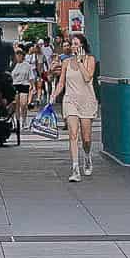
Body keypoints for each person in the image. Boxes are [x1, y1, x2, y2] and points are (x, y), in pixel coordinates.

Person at [52, 33, 98, 181]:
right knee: (73, 134)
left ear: (83, 45)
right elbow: (61, 83)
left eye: (76, 44)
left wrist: (80, 62)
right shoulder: (66, 62)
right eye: (72, 44)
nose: (73, 47)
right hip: (70, 100)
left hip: (87, 101)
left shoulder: (90, 59)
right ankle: (75, 169)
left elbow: (88, 78)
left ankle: (87, 156)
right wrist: (53, 95)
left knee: (86, 139)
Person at [10, 45, 35, 131]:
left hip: (24, 85)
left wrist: (33, 86)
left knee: (23, 104)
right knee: (16, 105)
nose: (18, 55)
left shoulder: (27, 65)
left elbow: (31, 77)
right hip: (15, 85)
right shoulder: (12, 65)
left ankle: (24, 120)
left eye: (20, 53)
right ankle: (17, 122)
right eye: (17, 54)